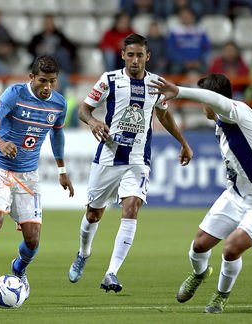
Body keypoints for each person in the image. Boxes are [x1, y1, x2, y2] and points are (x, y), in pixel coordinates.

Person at [149, 73, 252, 314]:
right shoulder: (223, 124)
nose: (202, 106)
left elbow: (218, 102)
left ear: (211, 100)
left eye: (204, 100)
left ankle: (220, 296)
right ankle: (200, 274)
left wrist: (180, 92)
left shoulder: (236, 112)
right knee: (199, 245)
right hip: (237, 195)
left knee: (231, 247)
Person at [68, 34, 193, 293]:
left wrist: (183, 142)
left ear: (148, 56)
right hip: (108, 157)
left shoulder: (156, 84)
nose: (135, 60)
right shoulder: (109, 80)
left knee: (132, 207)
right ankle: (83, 252)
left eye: (139, 55)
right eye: (130, 55)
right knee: (94, 213)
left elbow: (164, 115)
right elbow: (83, 110)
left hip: (138, 159)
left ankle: (111, 273)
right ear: (122, 56)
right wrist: (93, 123)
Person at [0, 55, 75, 305]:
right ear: (31, 78)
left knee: (33, 239)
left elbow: (56, 137)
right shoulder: (14, 94)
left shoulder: (59, 104)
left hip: (28, 175)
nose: (47, 87)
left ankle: (18, 269)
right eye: (42, 81)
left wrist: (62, 170)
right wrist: (0, 141)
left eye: (52, 81)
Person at [27, 14, 77, 95]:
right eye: (47, 23)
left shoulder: (60, 36)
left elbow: (72, 49)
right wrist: (39, 48)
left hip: (58, 68)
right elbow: (30, 50)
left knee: (61, 53)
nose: (49, 25)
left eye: (50, 23)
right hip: (41, 66)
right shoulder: (37, 37)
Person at [165, 6, 211, 74]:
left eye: (188, 16)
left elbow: (207, 48)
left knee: (207, 70)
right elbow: (170, 50)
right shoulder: (175, 31)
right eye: (183, 16)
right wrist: (183, 61)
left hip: (198, 62)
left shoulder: (200, 31)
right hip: (180, 63)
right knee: (175, 69)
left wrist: (199, 61)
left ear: (193, 16)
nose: (186, 18)